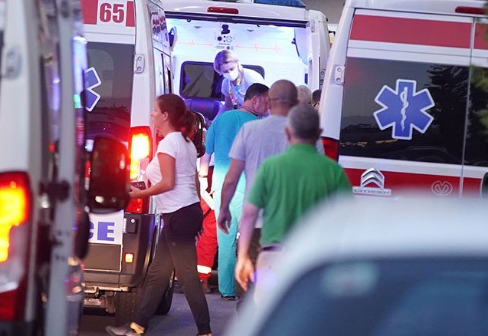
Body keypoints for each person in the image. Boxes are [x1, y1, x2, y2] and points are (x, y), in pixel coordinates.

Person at [106, 94, 211, 336]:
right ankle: (137, 326)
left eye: (155, 110)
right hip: (183, 213)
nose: (152, 114)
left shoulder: (169, 144)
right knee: (158, 273)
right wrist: (195, 212)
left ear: (165, 115)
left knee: (187, 277)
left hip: (178, 214)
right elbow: (192, 180)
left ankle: (205, 331)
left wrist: (139, 194)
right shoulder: (184, 142)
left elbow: (168, 182)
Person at [235, 104, 352, 302]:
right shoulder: (333, 171)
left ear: (288, 132)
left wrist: (243, 256)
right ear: (319, 134)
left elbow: (249, 214)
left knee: (269, 312)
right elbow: (347, 218)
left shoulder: (271, 167)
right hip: (312, 262)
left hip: (271, 259)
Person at [199, 83, 270, 300]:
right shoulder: (258, 125)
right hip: (247, 187)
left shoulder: (220, 120)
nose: (268, 107)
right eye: (266, 101)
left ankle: (226, 290)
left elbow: (206, 155)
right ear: (255, 99)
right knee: (249, 240)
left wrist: (203, 182)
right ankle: (245, 289)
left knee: (225, 241)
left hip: (221, 187)